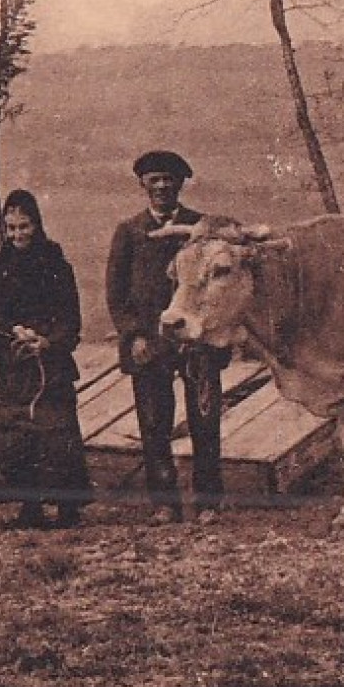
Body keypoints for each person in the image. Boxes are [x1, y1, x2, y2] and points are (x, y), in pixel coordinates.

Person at [105, 150, 229, 525]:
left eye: (168, 179)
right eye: (154, 179)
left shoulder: (201, 227)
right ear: (142, 184)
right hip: (150, 343)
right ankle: (164, 502)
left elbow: (215, 286)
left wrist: (209, 333)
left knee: (204, 421)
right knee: (155, 423)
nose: (161, 186)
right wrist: (134, 336)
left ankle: (208, 502)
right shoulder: (128, 231)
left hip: (196, 341)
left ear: (180, 183)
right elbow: (116, 294)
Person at [0, 190, 91, 529]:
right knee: (15, 435)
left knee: (56, 434)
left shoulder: (56, 266)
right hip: (8, 362)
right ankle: (29, 505)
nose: (18, 235)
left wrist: (46, 341)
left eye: (24, 227)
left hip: (49, 363)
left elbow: (71, 321)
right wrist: (11, 330)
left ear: (37, 225)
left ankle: (67, 508)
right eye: (11, 228)